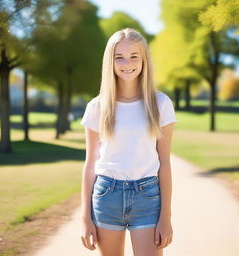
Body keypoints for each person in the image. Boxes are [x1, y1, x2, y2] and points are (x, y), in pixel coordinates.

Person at [80, 27, 177, 256]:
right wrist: (85, 218)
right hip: (106, 196)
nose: (127, 63)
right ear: (110, 62)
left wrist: (166, 217)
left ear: (144, 60)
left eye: (134, 56)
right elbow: (90, 163)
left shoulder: (160, 104)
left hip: (148, 197)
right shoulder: (97, 106)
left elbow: (164, 161)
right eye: (119, 57)